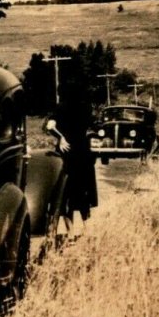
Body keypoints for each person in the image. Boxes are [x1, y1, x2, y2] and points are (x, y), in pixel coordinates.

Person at [44, 89, 98, 237]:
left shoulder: (60, 108)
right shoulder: (87, 107)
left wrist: (61, 137)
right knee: (84, 193)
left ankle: (71, 234)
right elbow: (93, 128)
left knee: (66, 194)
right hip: (83, 152)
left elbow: (49, 126)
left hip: (67, 153)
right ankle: (87, 231)